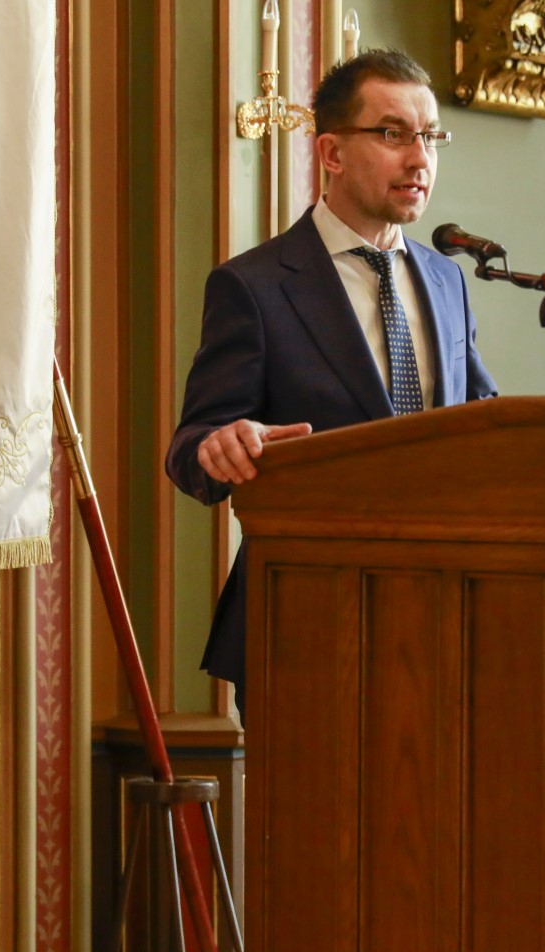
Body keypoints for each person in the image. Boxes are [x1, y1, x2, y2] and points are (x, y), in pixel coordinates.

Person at [166, 48, 498, 711]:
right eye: (393, 133)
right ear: (331, 153)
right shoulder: (254, 285)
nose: (420, 158)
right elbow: (192, 445)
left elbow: (479, 417)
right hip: (306, 620)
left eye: (430, 136)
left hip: (443, 613)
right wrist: (219, 445)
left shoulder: (445, 278)